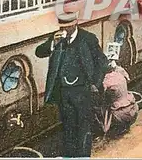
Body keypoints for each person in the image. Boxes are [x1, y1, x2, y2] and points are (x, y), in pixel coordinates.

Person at [35, 13, 108, 158]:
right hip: (63, 92)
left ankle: (83, 157)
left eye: (68, 27)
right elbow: (39, 52)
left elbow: (102, 61)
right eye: (62, 27)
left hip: (82, 91)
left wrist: (96, 83)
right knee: (67, 128)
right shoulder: (57, 38)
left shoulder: (88, 38)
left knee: (83, 127)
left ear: (75, 24)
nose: (65, 30)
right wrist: (52, 44)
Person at [93, 53, 138, 139]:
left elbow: (100, 95)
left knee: (101, 106)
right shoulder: (120, 73)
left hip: (120, 113)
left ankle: (111, 129)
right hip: (132, 107)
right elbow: (127, 78)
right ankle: (124, 126)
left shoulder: (107, 81)